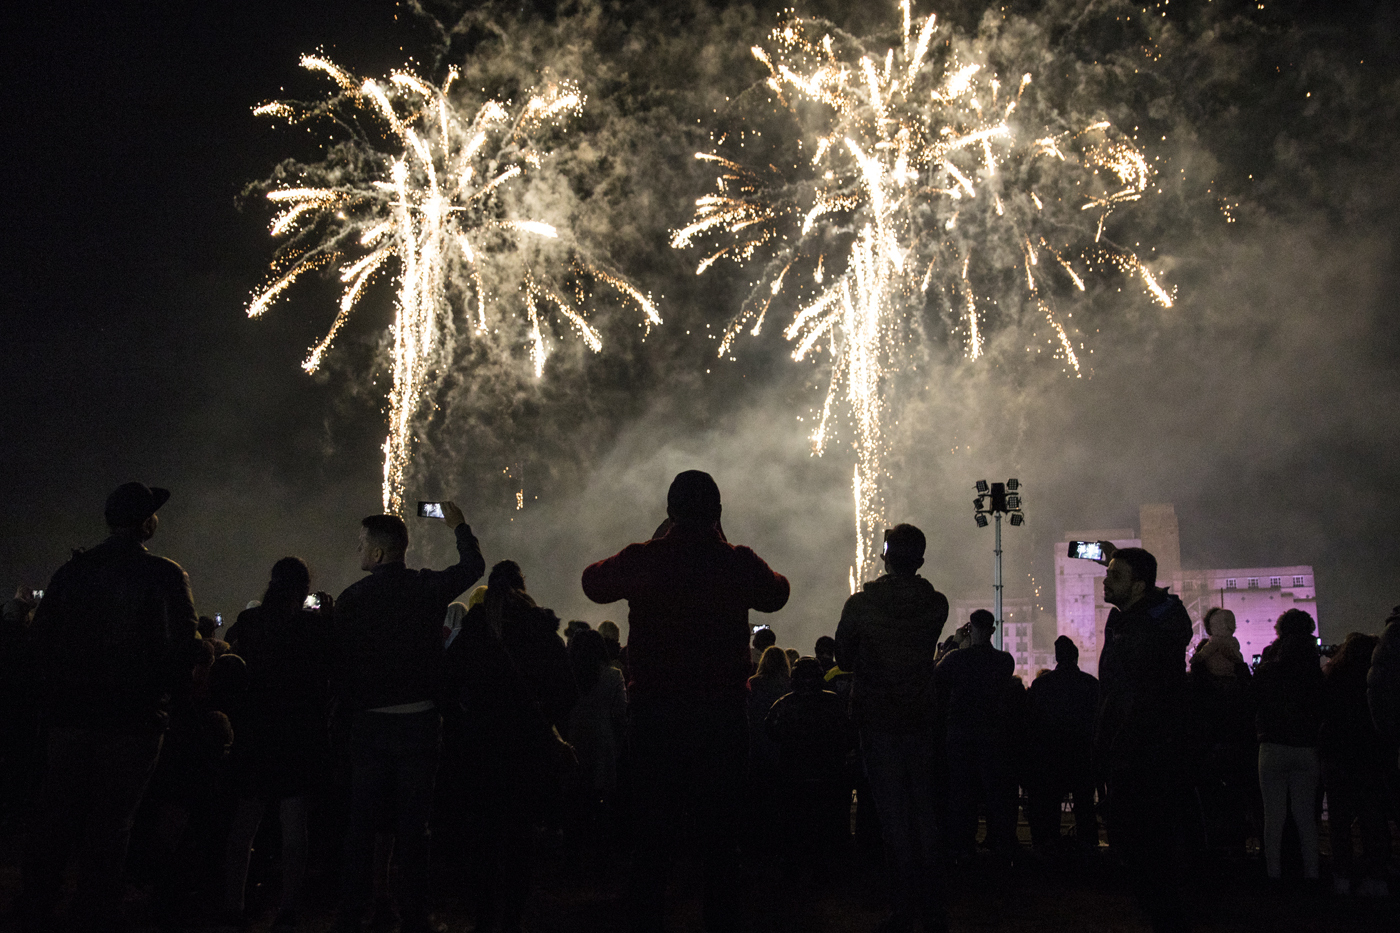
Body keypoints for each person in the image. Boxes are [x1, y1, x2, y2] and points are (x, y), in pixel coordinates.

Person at [582, 470, 789, 933]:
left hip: (656, 716)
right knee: (721, 840)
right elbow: (778, 592)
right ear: (717, 512)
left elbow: (592, 582)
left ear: (669, 512)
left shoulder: (645, 558)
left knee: (651, 837)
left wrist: (654, 544)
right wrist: (724, 542)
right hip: (721, 716)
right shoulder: (735, 560)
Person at [19, 482, 199, 933]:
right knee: (113, 821)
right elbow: (183, 649)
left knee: (57, 813)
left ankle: (36, 903)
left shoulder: (72, 573)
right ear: (144, 523)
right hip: (133, 721)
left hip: (71, 716)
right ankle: (94, 910)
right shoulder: (165, 575)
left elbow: (40, 642)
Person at [331, 502, 484, 933]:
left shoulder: (353, 599)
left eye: (362, 543)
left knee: (361, 827)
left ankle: (350, 915)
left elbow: (338, 666)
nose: (358, 549)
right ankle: (414, 914)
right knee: (414, 828)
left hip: (370, 726)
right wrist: (458, 524)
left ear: (379, 554)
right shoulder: (426, 588)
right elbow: (473, 566)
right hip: (419, 724)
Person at [835, 523, 949, 933]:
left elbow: (844, 658)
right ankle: (934, 907)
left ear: (885, 557)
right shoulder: (937, 604)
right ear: (920, 560)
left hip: (878, 718)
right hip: (920, 717)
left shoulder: (861, 605)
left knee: (892, 815)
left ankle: (903, 908)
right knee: (924, 810)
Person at [221, 558, 334, 931]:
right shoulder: (311, 628)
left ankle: (232, 903)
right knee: (293, 822)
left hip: (255, 729)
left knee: (245, 821)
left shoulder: (250, 622)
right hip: (297, 732)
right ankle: (288, 907)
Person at [1095, 545, 1193, 933]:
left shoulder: (1141, 629)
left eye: (1115, 576)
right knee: (1144, 852)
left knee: (1148, 851)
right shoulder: (1133, 620)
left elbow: (1130, 696)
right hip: (1135, 750)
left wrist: (1114, 746)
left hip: (1143, 754)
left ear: (1138, 586)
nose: (1106, 579)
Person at [935, 609, 1018, 862]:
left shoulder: (956, 659)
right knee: (995, 793)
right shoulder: (1004, 661)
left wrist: (956, 643)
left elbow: (935, 675)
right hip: (993, 735)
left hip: (960, 734)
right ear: (992, 630)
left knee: (962, 794)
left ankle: (962, 846)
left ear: (971, 628)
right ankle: (1000, 844)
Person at [1253, 608, 1323, 882]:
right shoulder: (1312, 665)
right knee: (1306, 818)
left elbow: (1253, 700)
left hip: (1272, 745)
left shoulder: (1269, 664)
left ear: (1280, 630)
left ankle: (1274, 874)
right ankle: (1312, 873)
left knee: (1274, 817)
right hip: (1306, 747)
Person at [1320, 632, 1389, 896]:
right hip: (1368, 755)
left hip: (1336, 754)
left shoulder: (1333, 677)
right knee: (1372, 818)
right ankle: (1376, 876)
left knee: (1339, 821)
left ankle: (1342, 875)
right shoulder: (1376, 680)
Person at [1026, 635, 1100, 853]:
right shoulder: (1091, 684)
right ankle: (1088, 844)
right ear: (1076, 657)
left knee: (1050, 804)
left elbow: (1032, 721)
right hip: (1082, 754)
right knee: (1084, 804)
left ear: (1057, 657)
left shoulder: (1042, 685)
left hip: (1051, 755)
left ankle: (1049, 844)